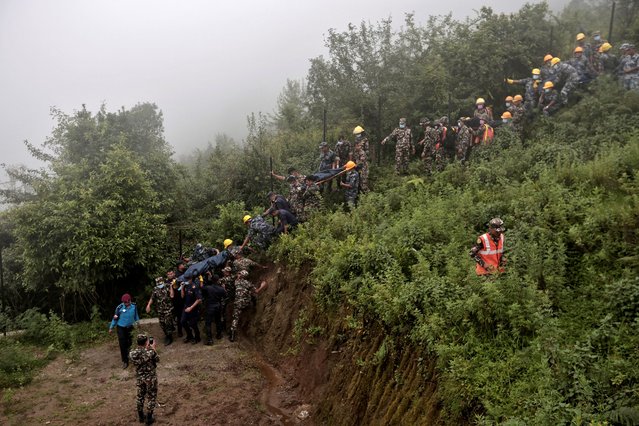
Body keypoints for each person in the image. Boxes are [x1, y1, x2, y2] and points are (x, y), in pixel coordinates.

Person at [129, 334, 160, 425]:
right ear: (146, 342)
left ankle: (141, 416)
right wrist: (153, 348)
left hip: (140, 378)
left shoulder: (132, 353)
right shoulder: (150, 352)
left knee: (140, 396)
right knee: (151, 396)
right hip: (150, 378)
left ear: (137, 342)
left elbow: (138, 357)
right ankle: (149, 418)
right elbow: (157, 359)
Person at [230, 270, 267, 342]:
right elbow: (257, 291)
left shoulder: (236, 282)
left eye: (240, 274)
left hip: (237, 303)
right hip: (245, 303)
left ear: (241, 275)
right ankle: (254, 307)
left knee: (235, 318)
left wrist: (238, 276)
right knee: (250, 293)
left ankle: (232, 336)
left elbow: (237, 277)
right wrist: (262, 285)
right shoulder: (248, 283)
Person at [109, 293, 139, 369]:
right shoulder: (119, 308)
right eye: (125, 302)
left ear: (130, 300)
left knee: (130, 342)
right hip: (121, 328)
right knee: (123, 344)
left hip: (130, 327)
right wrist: (111, 327)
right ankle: (125, 361)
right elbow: (115, 318)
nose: (126, 304)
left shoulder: (134, 306)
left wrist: (137, 323)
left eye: (127, 302)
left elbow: (136, 316)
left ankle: (131, 356)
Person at [145, 277, 175, 345]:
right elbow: (152, 298)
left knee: (168, 323)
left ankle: (169, 337)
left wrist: (171, 287)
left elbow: (172, 296)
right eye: (158, 284)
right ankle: (167, 335)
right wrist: (148, 305)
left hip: (168, 309)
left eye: (160, 283)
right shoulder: (155, 289)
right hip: (160, 310)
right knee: (162, 324)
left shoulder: (167, 286)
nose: (160, 285)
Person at [201, 274, 227, 345]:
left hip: (210, 307)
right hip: (218, 306)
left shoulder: (207, 288)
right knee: (218, 321)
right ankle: (219, 335)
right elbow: (225, 296)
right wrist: (223, 288)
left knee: (208, 323)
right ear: (218, 281)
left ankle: (210, 340)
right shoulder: (221, 289)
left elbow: (202, 290)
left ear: (211, 280)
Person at [181, 274, 202, 344]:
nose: (185, 281)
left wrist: (191, 307)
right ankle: (189, 335)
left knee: (193, 324)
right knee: (183, 321)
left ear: (190, 279)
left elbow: (199, 299)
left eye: (187, 280)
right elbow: (182, 296)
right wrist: (182, 288)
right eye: (185, 280)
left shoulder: (194, 286)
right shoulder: (185, 286)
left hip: (193, 308)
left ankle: (197, 337)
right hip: (186, 306)